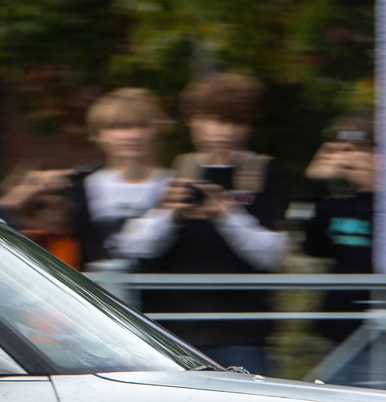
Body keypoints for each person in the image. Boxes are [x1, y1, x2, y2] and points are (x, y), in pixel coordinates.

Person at [107, 72, 287, 373]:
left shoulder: (263, 172)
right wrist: (170, 213)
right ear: (192, 120)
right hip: (173, 329)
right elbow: (133, 246)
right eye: (213, 119)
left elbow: (273, 254)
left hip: (243, 329)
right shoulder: (176, 170)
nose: (223, 131)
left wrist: (226, 214)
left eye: (234, 121)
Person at [0, 87, 177, 270]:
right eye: (118, 127)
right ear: (97, 134)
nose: (132, 135)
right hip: (93, 294)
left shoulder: (175, 184)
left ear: (157, 130)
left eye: (142, 126)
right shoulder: (81, 182)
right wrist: (31, 185)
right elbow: (0, 214)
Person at [298, 115, 386, 386]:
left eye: (357, 149)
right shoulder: (334, 205)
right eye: (343, 151)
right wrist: (314, 183)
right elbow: (311, 247)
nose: (348, 159)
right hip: (338, 333)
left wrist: (378, 184)